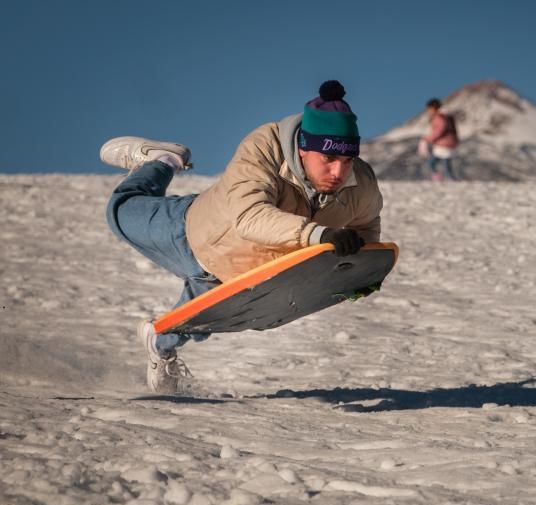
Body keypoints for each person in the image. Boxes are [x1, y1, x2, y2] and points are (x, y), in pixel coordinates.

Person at [102, 80, 383, 394]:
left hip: (238, 274)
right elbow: (248, 216)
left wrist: (361, 270)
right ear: (303, 148)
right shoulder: (265, 147)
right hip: (194, 234)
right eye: (328, 160)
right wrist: (319, 234)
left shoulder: (361, 183)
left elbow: (366, 225)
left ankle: (160, 347)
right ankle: (162, 161)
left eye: (346, 161)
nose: (338, 172)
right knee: (120, 211)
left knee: (189, 323)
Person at [422, 98, 459, 181]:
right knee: (445, 164)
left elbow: (440, 129)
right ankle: (448, 179)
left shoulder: (439, 117)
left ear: (433, 108)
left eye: (429, 109)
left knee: (432, 163)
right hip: (449, 143)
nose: (428, 111)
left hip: (443, 144)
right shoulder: (446, 116)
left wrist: (429, 138)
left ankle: (441, 178)